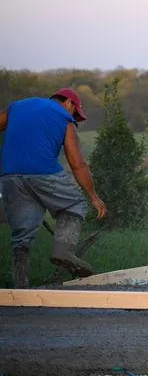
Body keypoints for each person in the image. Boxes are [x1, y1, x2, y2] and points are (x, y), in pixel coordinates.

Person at [0, 88, 107, 288]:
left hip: (10, 176)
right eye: (75, 113)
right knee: (74, 204)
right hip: (44, 172)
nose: (74, 117)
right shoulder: (63, 117)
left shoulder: (18, 106)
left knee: (21, 236)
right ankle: (63, 251)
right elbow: (77, 163)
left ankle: (20, 289)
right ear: (69, 103)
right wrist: (93, 196)